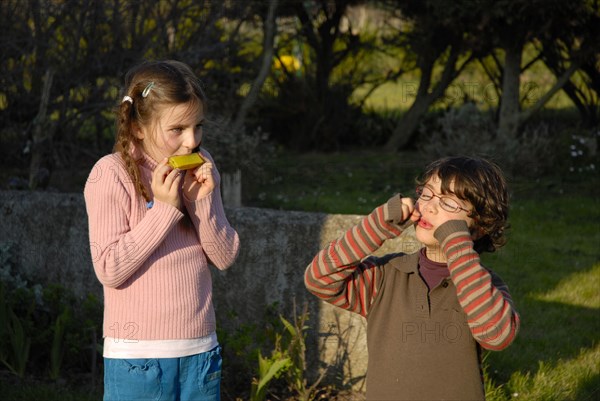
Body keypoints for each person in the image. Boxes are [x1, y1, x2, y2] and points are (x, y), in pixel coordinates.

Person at [84, 60, 240, 401]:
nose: (192, 141)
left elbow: (225, 256)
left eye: (198, 126)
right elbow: (109, 268)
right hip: (139, 359)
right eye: (178, 129)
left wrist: (200, 202)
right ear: (139, 128)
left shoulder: (202, 167)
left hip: (200, 352)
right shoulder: (110, 174)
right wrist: (166, 210)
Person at [304, 156, 520, 401]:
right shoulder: (385, 276)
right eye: (427, 194)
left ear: (480, 226)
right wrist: (377, 225)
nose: (430, 206)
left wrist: (457, 243)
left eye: (449, 202)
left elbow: (497, 335)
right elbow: (319, 278)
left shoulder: (484, 287)